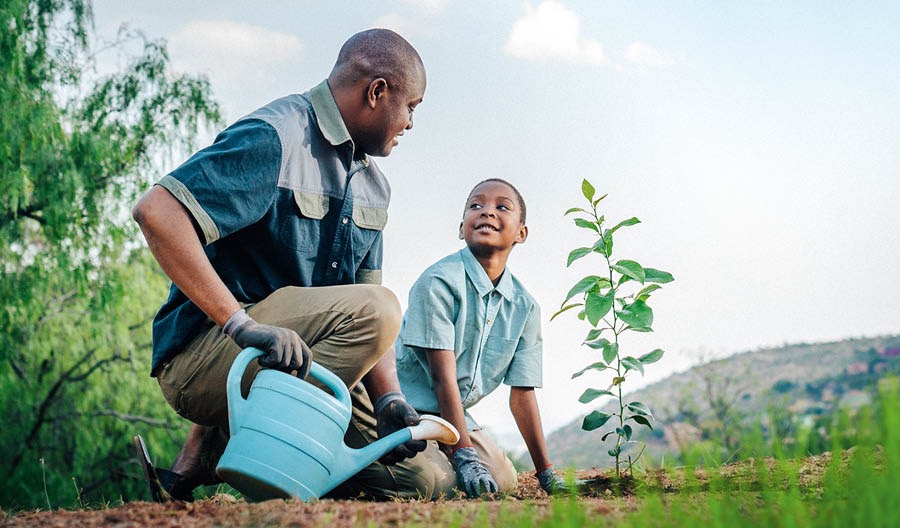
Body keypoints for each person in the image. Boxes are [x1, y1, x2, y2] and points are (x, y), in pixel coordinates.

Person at [131, 28, 435, 502]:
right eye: (411, 106)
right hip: (209, 358)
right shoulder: (277, 135)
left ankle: (247, 454)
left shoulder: (376, 188)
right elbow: (156, 212)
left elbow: (370, 319)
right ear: (377, 92)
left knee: (424, 481)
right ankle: (219, 440)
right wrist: (240, 324)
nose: (412, 123)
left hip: (302, 357)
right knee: (378, 310)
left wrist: (389, 398)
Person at [386, 178, 567, 498]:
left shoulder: (524, 307)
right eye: (476, 205)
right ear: (461, 228)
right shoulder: (437, 283)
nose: (487, 212)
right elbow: (444, 380)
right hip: (404, 408)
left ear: (521, 233)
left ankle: (444, 454)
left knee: (502, 478)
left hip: (450, 417)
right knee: (433, 482)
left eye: (502, 207)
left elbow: (522, 396)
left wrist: (546, 472)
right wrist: (465, 456)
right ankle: (364, 464)